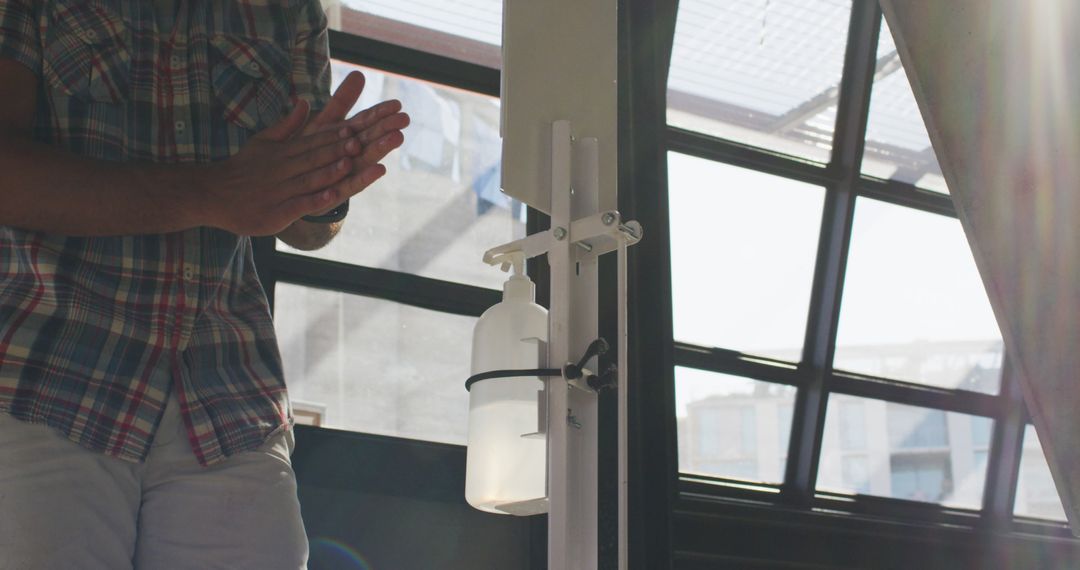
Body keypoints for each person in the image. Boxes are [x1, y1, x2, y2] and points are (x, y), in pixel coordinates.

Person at [0, 1, 409, 568]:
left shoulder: (289, 11)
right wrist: (211, 192)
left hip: (229, 396)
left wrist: (321, 187)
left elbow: (307, 231)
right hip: (46, 375)